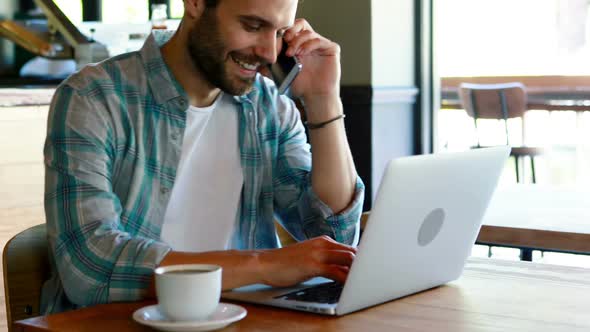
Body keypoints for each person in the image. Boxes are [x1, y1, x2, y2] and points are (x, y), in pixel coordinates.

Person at [41, 0, 364, 314]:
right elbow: (89, 267)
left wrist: (324, 100)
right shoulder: (94, 97)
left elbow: (332, 236)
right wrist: (265, 264)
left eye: (280, 33)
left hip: (242, 319)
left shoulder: (268, 107)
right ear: (194, 4)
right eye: (252, 25)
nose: (268, 53)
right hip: (118, 323)